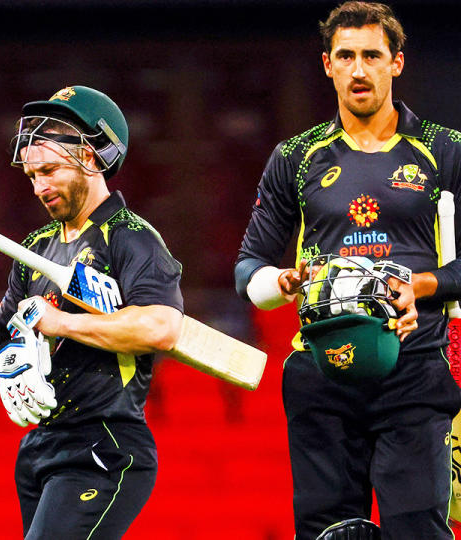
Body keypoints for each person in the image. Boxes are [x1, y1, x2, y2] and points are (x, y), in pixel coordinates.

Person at [234, 3, 461, 538]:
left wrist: (421, 285)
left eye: (372, 56)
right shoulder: (295, 156)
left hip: (415, 366)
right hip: (321, 371)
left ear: (396, 63)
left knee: (417, 530)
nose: (359, 69)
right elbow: (248, 266)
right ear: (327, 65)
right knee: (327, 532)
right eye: (346, 56)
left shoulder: (445, 151)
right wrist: (279, 282)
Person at [0, 85, 184, 538]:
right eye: (32, 176)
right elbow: (7, 341)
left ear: (90, 158)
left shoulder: (132, 238)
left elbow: (163, 327)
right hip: (39, 446)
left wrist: (61, 322)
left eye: (49, 170)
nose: (39, 187)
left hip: (103, 443)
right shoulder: (35, 247)